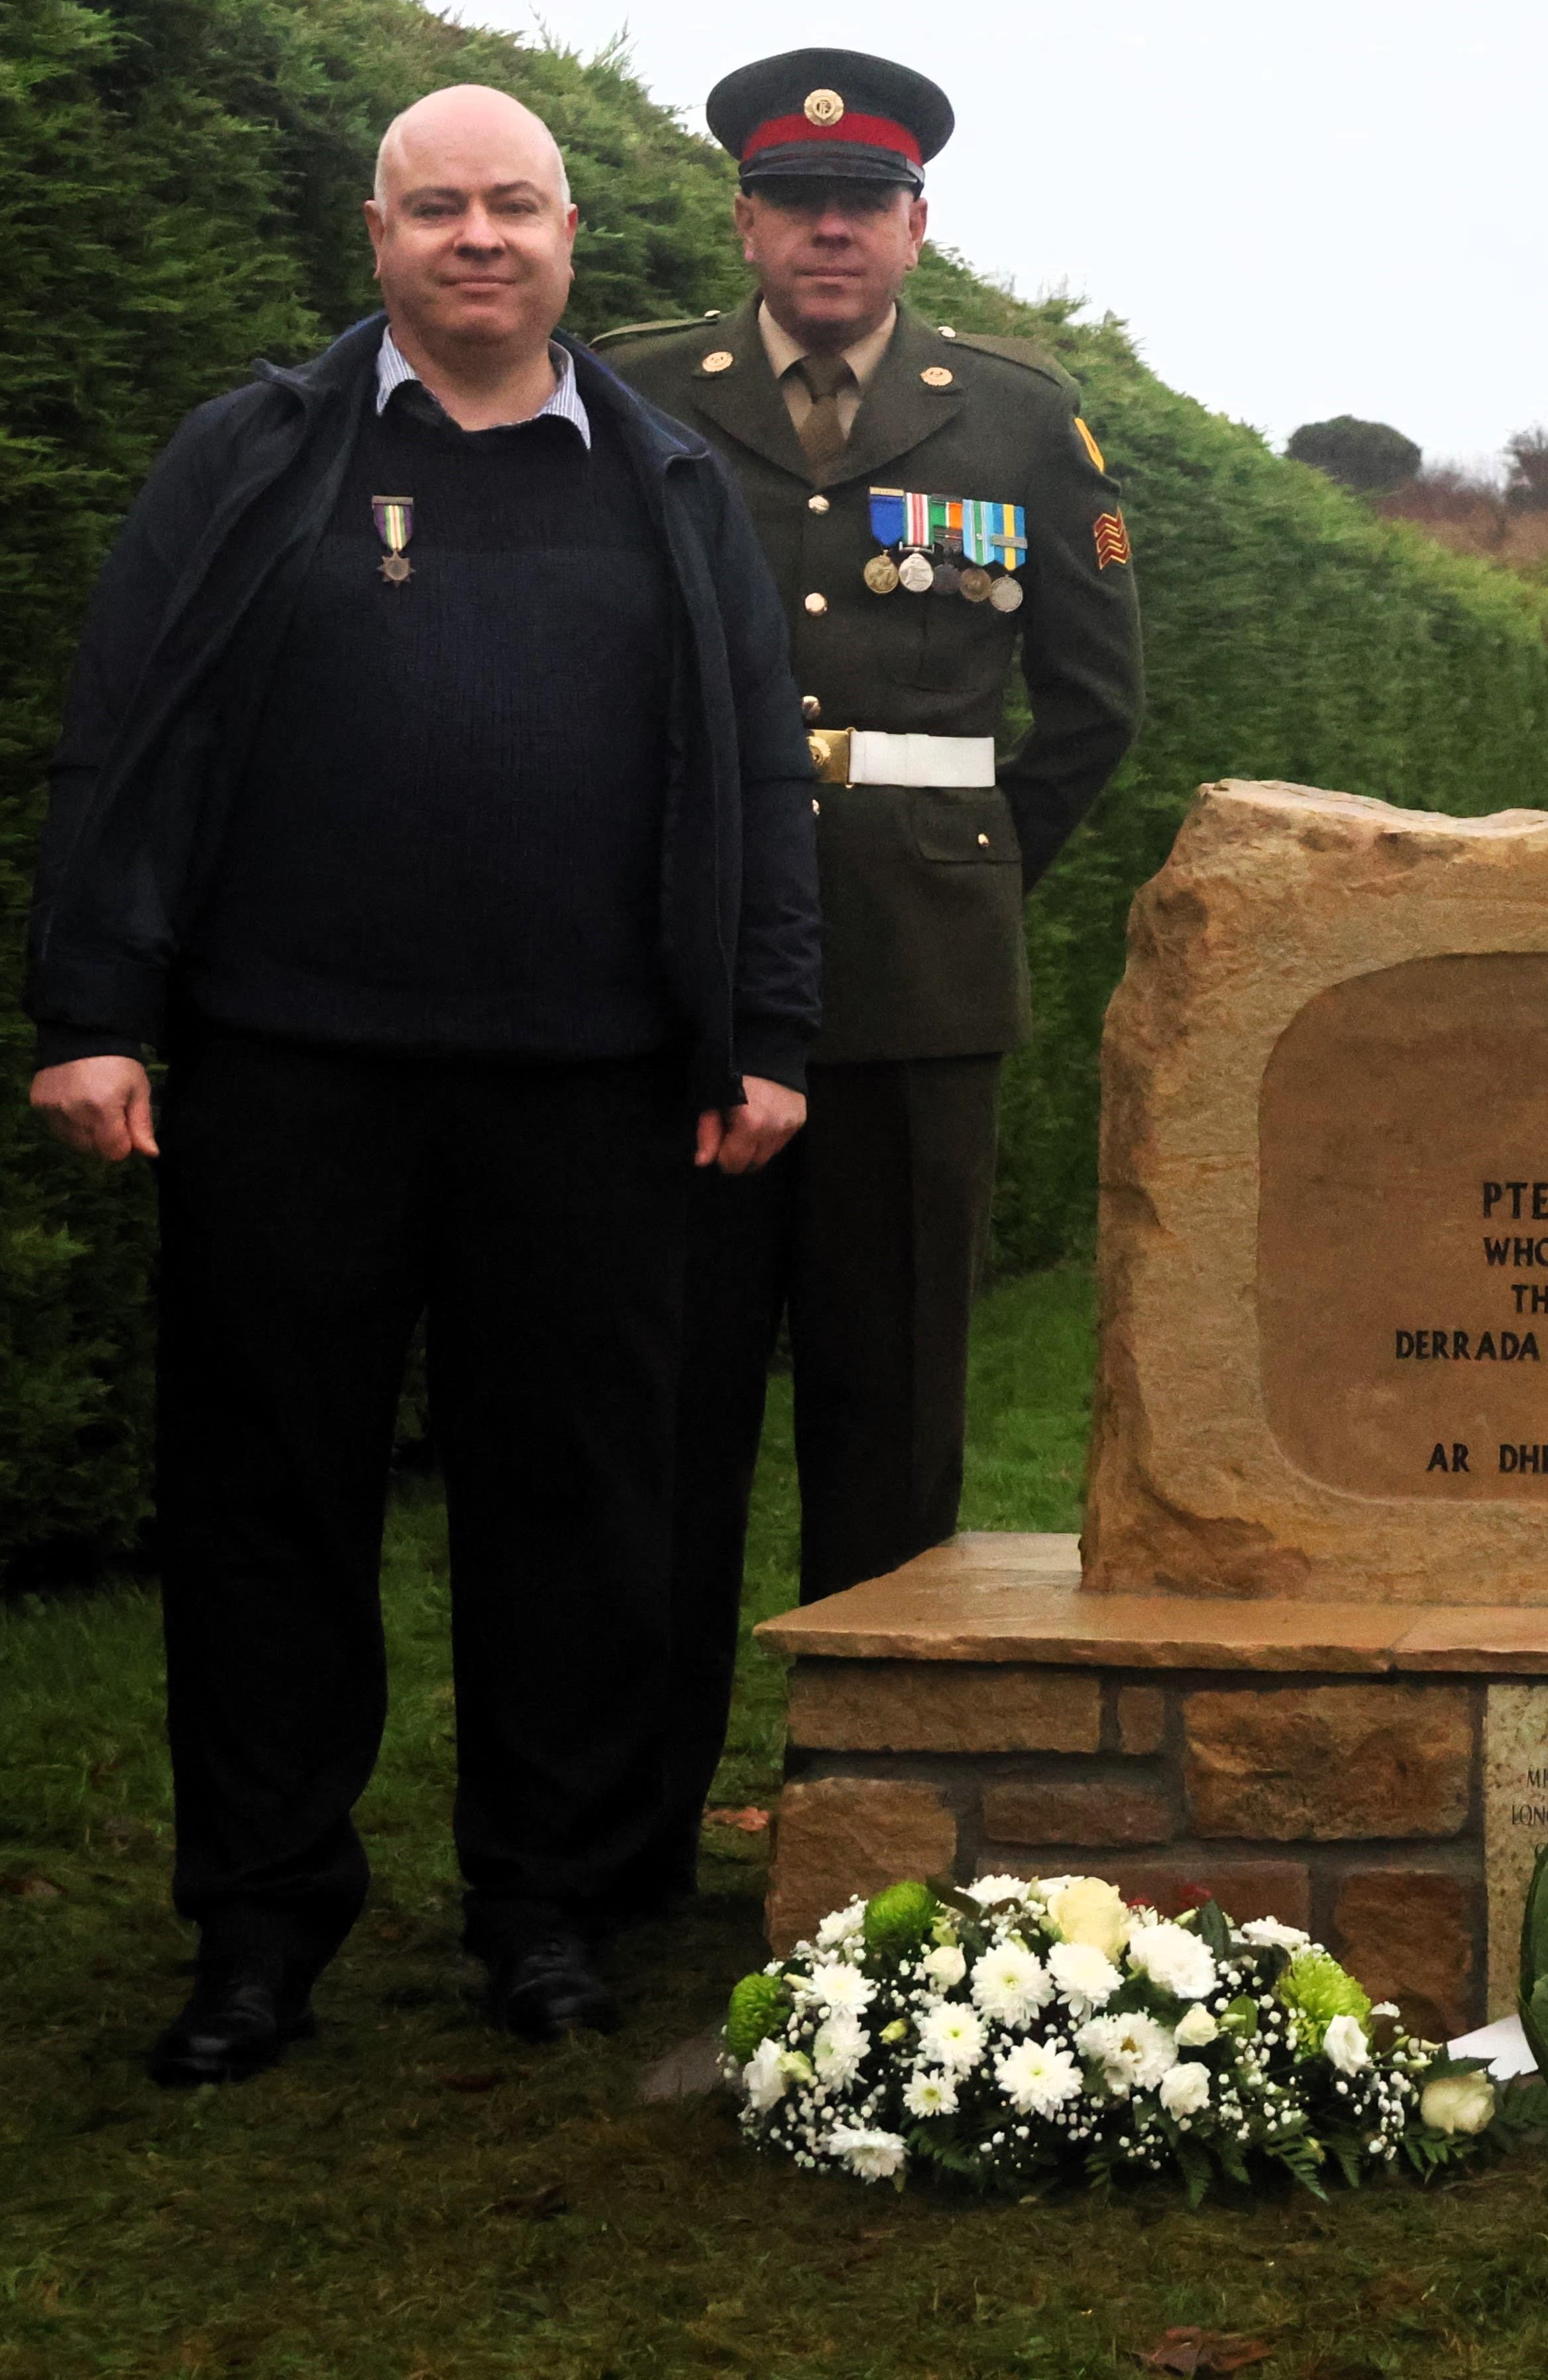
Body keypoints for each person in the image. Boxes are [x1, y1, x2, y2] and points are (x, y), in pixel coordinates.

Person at [21, 85, 820, 2082]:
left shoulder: (666, 479)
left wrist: (766, 1032)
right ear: (375, 238)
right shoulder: (259, 452)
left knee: (578, 1516)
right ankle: (260, 1932)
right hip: (291, 1077)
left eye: (514, 207)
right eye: (437, 208)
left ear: (570, 241)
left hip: (590, 1090)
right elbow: (125, 734)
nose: (479, 238)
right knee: (264, 1508)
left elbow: (747, 774)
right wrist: (91, 1011)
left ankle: (543, 1912)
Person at [590, 50, 1144, 1922]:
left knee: (891, 1415)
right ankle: (627, 1842)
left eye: (867, 199)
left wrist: (961, 874)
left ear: (917, 222)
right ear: (744, 220)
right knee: (661, 1419)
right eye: (793, 196)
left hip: (918, 978)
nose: (831, 228)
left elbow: (1090, 709)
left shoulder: (1015, 420)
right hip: (674, 976)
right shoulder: (643, 392)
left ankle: (879, 1845)